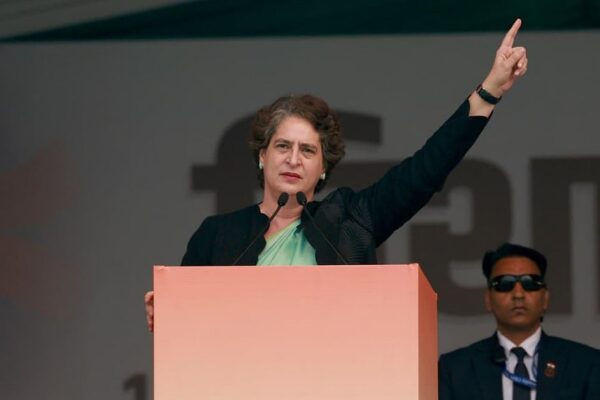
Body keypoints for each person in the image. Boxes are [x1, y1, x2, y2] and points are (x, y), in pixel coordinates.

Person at [145, 19, 529, 331]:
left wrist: (489, 92)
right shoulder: (217, 236)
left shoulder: (349, 221)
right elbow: (186, 323)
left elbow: (425, 170)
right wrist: (166, 311)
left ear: (323, 166)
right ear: (262, 156)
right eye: (282, 146)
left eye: (307, 150)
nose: (293, 159)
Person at [438, 243, 600, 400]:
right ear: (488, 299)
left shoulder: (586, 364)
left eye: (529, 283)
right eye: (505, 284)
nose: (518, 294)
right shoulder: (455, 368)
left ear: (545, 298)